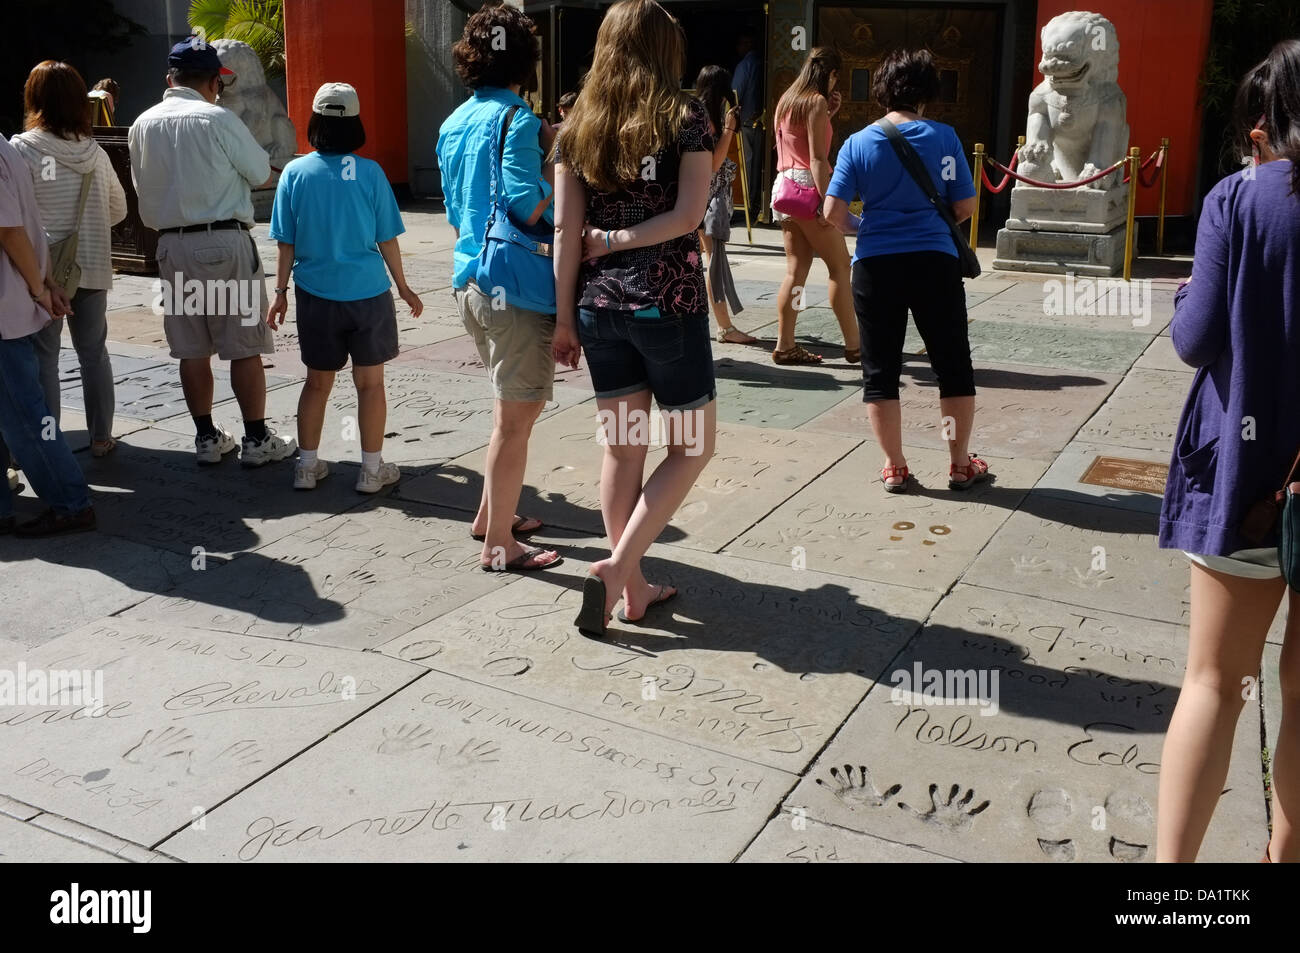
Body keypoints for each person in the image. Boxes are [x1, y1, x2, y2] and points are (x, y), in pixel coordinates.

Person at [1156, 39, 1300, 863]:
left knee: (1215, 681)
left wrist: (1187, 291)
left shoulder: (1239, 199)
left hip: (1250, 476)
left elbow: (1196, 336)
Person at [554, 0, 717, 636]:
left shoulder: (577, 123)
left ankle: (636, 589)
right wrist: (622, 241)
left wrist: (565, 318)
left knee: (623, 451)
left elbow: (567, 229)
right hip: (666, 304)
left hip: (598, 308)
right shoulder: (685, 115)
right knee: (693, 446)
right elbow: (686, 216)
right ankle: (619, 570)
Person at [823, 49, 987, 493]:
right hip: (935, 261)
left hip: (875, 265)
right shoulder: (945, 137)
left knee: (881, 368)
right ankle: (958, 464)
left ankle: (894, 466)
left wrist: (868, 226)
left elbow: (833, 212)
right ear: (928, 92)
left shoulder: (858, 142)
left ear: (881, 91)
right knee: (952, 364)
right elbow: (965, 205)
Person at [129, 37, 296, 468]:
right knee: (243, 346)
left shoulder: (141, 124)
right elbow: (262, 172)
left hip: (170, 246)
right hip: (222, 241)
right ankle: (256, 438)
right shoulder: (216, 119)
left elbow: (141, 190)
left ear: (170, 79)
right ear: (215, 83)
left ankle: (206, 436)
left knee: (191, 348)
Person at [437, 0, 561, 573]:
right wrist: (557, 168)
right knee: (517, 420)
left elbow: (456, 211)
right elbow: (526, 203)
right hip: (516, 283)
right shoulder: (521, 121)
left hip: (469, 279)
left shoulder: (452, 122)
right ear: (527, 62)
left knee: (504, 409)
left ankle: (492, 516)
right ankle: (500, 548)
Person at [267, 83, 422, 494]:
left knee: (316, 383)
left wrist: (279, 293)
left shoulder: (296, 173)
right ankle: (371, 470)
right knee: (370, 384)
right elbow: (387, 237)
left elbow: (286, 241)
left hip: (316, 294)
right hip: (368, 293)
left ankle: (306, 466)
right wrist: (404, 287)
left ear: (315, 121)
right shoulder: (370, 173)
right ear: (355, 124)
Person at [11, 61, 127, 459]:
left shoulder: (20, 151)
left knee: (45, 358)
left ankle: (50, 442)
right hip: (91, 265)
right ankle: (101, 438)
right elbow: (118, 209)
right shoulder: (95, 153)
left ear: (34, 99)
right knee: (93, 352)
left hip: (42, 272)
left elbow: (14, 216)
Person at [0, 134, 95, 537]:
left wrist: (41, 288)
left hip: (5, 308)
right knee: (21, 413)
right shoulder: (6, 147)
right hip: (12, 300)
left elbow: (11, 230)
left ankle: (71, 502)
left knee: (25, 416)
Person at [770, 46, 860, 367]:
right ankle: (854, 346)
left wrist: (828, 118)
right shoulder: (816, 101)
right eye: (837, 77)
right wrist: (828, 202)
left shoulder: (787, 99)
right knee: (840, 266)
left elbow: (791, 142)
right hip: (809, 188)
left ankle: (786, 344)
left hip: (785, 189)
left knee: (796, 271)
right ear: (831, 74)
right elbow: (818, 158)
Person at [695, 65, 756, 345]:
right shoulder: (707, 119)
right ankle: (724, 327)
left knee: (707, 260)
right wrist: (730, 129)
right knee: (714, 262)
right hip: (706, 198)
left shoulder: (697, 113)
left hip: (696, 196)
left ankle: (717, 324)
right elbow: (714, 163)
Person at [732, 27, 764, 225]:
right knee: (757, 166)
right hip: (761, 122)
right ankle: (754, 204)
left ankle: (745, 206)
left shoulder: (745, 66)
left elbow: (735, 93)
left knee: (746, 166)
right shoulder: (762, 64)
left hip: (745, 122)